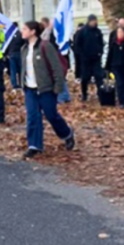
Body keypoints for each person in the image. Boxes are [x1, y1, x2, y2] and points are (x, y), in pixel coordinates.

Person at [20, 21, 75, 158]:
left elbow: (56, 68)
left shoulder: (45, 46)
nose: (22, 31)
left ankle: (67, 134)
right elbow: (23, 68)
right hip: (30, 89)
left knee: (51, 115)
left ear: (33, 32)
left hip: (46, 89)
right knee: (32, 117)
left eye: (25, 29)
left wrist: (57, 88)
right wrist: (22, 84)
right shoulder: (24, 49)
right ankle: (34, 146)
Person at [74, 15, 105, 102]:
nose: (94, 23)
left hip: (96, 59)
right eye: (93, 21)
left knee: (99, 77)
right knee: (85, 78)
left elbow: (101, 43)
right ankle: (84, 94)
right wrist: (81, 55)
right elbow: (77, 45)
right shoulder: (82, 32)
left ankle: (100, 94)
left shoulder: (98, 32)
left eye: (95, 21)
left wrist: (100, 52)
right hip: (85, 59)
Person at [5, 23, 23, 90]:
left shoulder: (8, 35)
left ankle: (14, 84)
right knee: (21, 69)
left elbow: (6, 45)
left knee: (13, 70)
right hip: (19, 53)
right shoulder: (20, 34)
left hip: (11, 54)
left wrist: (6, 54)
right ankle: (21, 83)